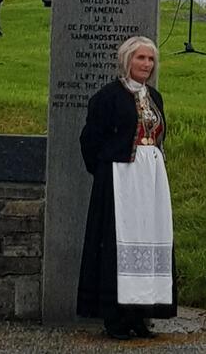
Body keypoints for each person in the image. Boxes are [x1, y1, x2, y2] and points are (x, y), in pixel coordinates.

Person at [78, 36, 176, 340]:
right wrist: (108, 171)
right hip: (121, 179)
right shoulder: (107, 97)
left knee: (149, 238)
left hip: (151, 178)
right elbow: (90, 141)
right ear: (126, 60)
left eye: (150, 59)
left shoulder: (155, 97)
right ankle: (116, 316)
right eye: (140, 58)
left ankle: (140, 314)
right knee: (119, 242)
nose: (146, 64)